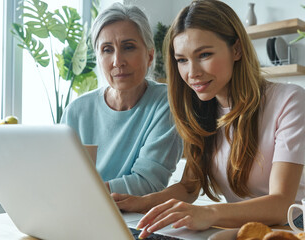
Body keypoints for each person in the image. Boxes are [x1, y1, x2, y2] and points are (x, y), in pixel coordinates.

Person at [112, 0, 305, 238]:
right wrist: (143, 202)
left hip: (294, 228)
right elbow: (189, 186)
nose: (192, 73)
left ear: (236, 49)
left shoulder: (289, 100)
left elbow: (282, 204)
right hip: (244, 231)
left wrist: (210, 213)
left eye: (204, 54)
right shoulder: (201, 110)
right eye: (182, 60)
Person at [60, 3, 183, 196]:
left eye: (128, 47)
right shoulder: (76, 111)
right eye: (107, 50)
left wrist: (89, 195)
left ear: (150, 56)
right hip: (79, 210)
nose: (118, 61)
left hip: (134, 217)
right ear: (98, 57)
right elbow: (62, 177)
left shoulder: (167, 103)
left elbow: (148, 183)